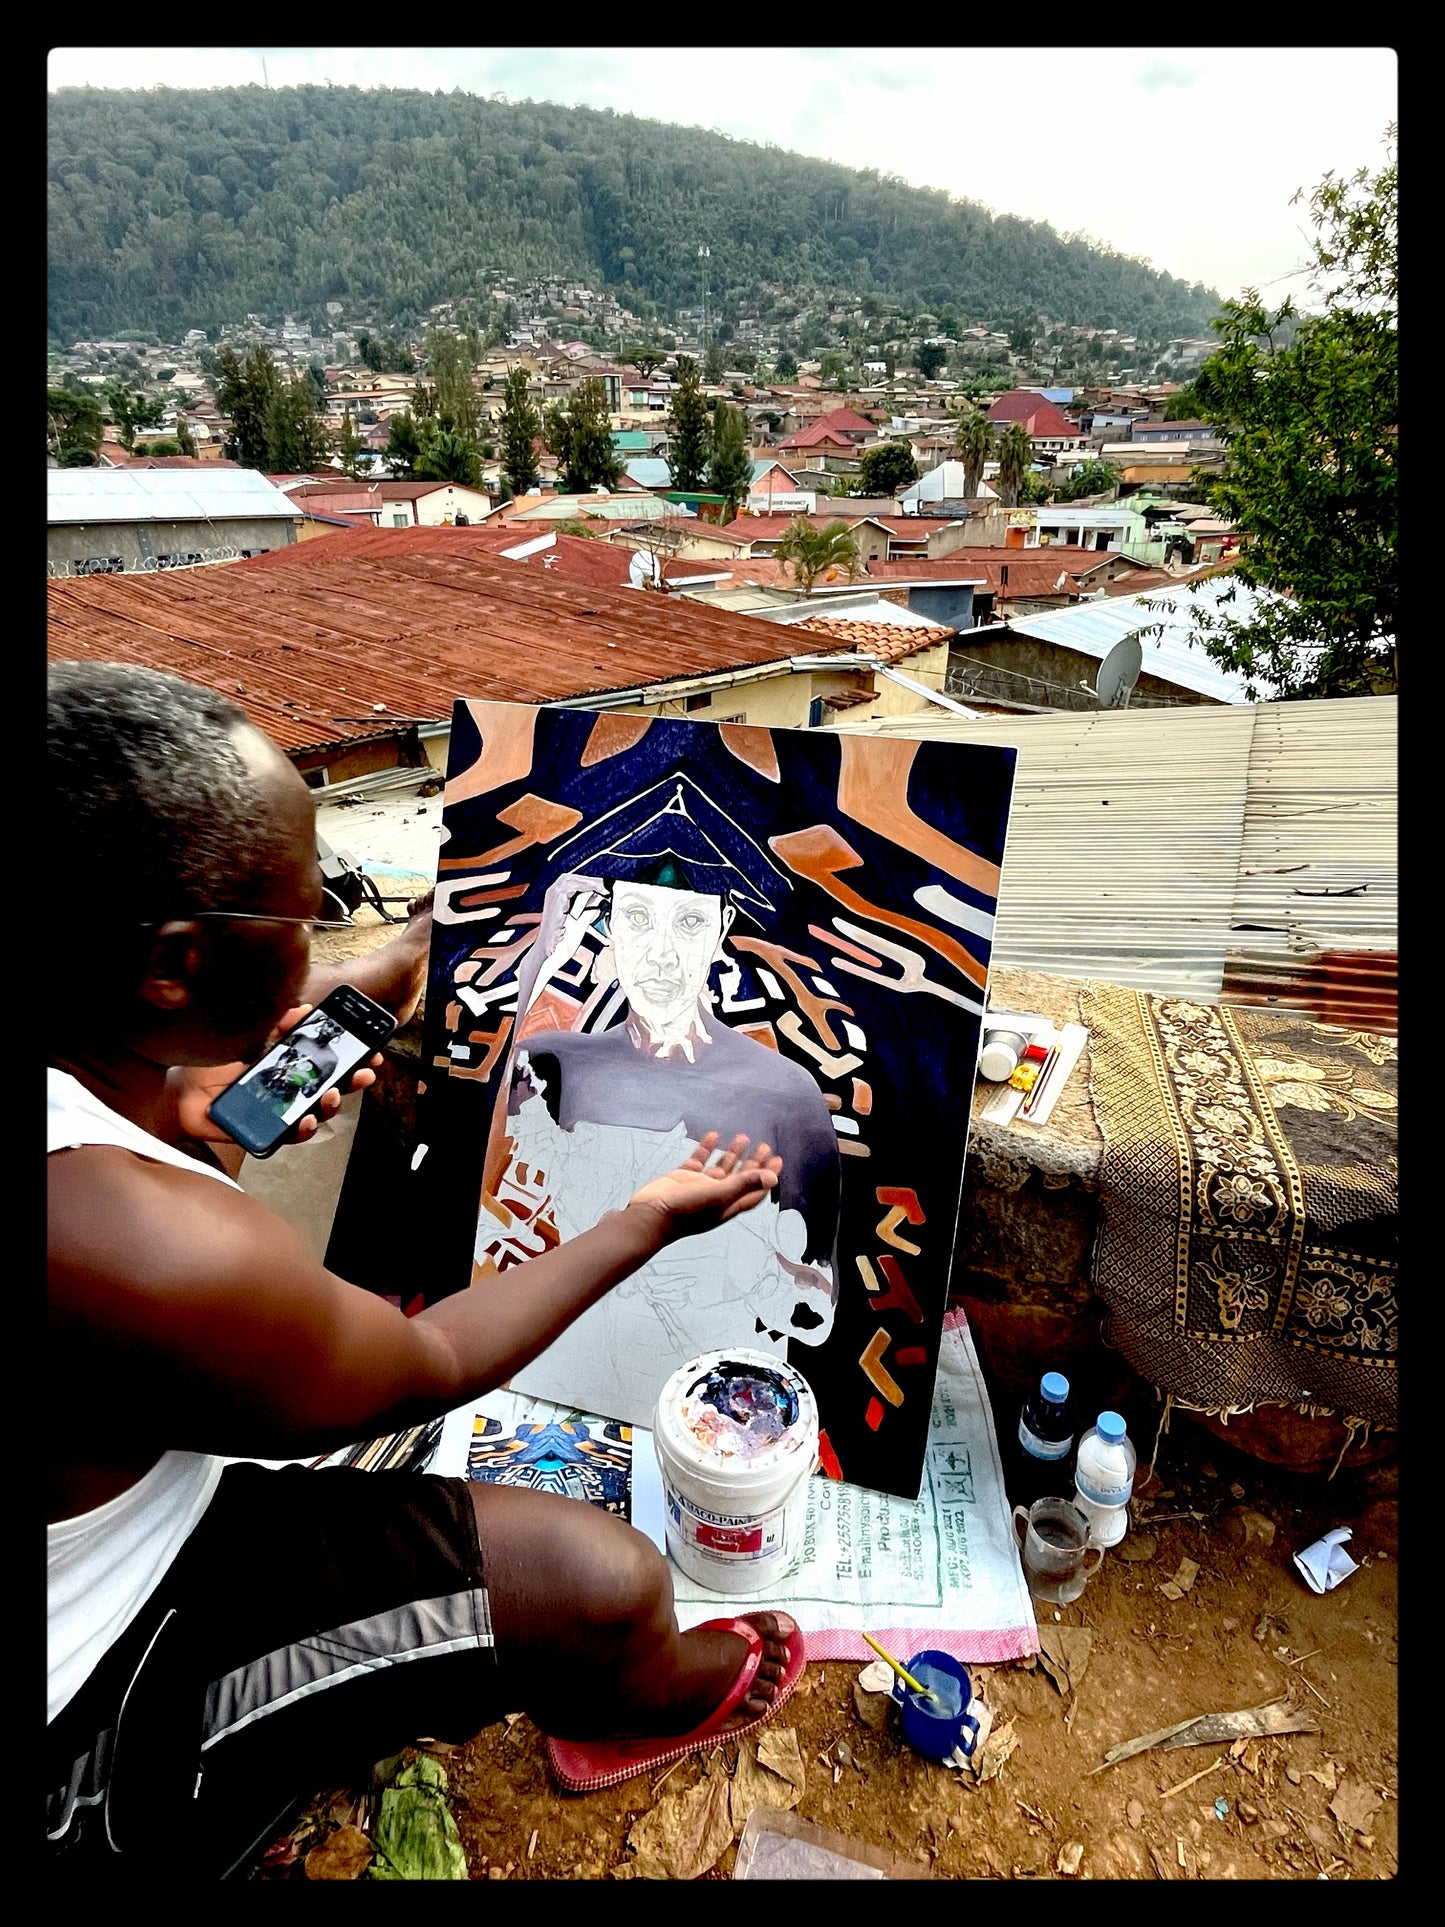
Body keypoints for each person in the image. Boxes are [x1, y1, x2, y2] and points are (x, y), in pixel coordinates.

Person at [47, 663, 803, 1878]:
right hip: (79, 1709)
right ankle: (626, 1702)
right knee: (603, 1583)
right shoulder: (142, 1248)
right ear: (173, 966)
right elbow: (431, 1360)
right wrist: (643, 1221)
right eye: (303, 918)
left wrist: (369, 978)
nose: (322, 940)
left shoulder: (103, 1094)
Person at [496, 850, 842, 1422]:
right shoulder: (549, 1069)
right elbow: (491, 1233)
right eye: (636, 917)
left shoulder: (784, 1094)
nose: (660, 955)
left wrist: (763, 1277)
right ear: (606, 923)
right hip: (560, 1374)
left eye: (688, 922)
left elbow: (815, 1308)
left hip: (713, 1406)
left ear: (721, 929)